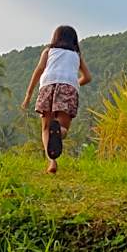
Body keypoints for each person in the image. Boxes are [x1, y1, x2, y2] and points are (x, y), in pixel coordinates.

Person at [20, 25, 92, 174]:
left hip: (48, 84)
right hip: (68, 87)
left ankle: (52, 162)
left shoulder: (48, 51)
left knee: (46, 128)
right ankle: (59, 130)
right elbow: (88, 77)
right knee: (63, 128)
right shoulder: (76, 56)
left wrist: (28, 95)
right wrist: (73, 83)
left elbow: (39, 70)